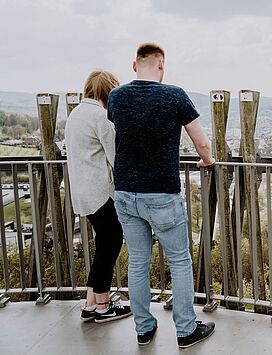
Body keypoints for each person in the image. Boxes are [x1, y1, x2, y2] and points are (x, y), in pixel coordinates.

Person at [108, 42, 216, 348]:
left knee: (138, 262)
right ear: (161, 66)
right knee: (180, 261)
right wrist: (207, 162)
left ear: (134, 65)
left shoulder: (117, 97)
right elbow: (203, 145)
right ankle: (185, 330)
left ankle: (143, 328)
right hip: (162, 193)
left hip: (126, 192)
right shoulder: (174, 95)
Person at [65, 70, 132, 323]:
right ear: (109, 92)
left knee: (104, 244)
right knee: (111, 243)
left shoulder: (76, 114)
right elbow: (117, 158)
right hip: (100, 192)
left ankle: (90, 302)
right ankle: (104, 306)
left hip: (81, 191)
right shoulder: (101, 117)